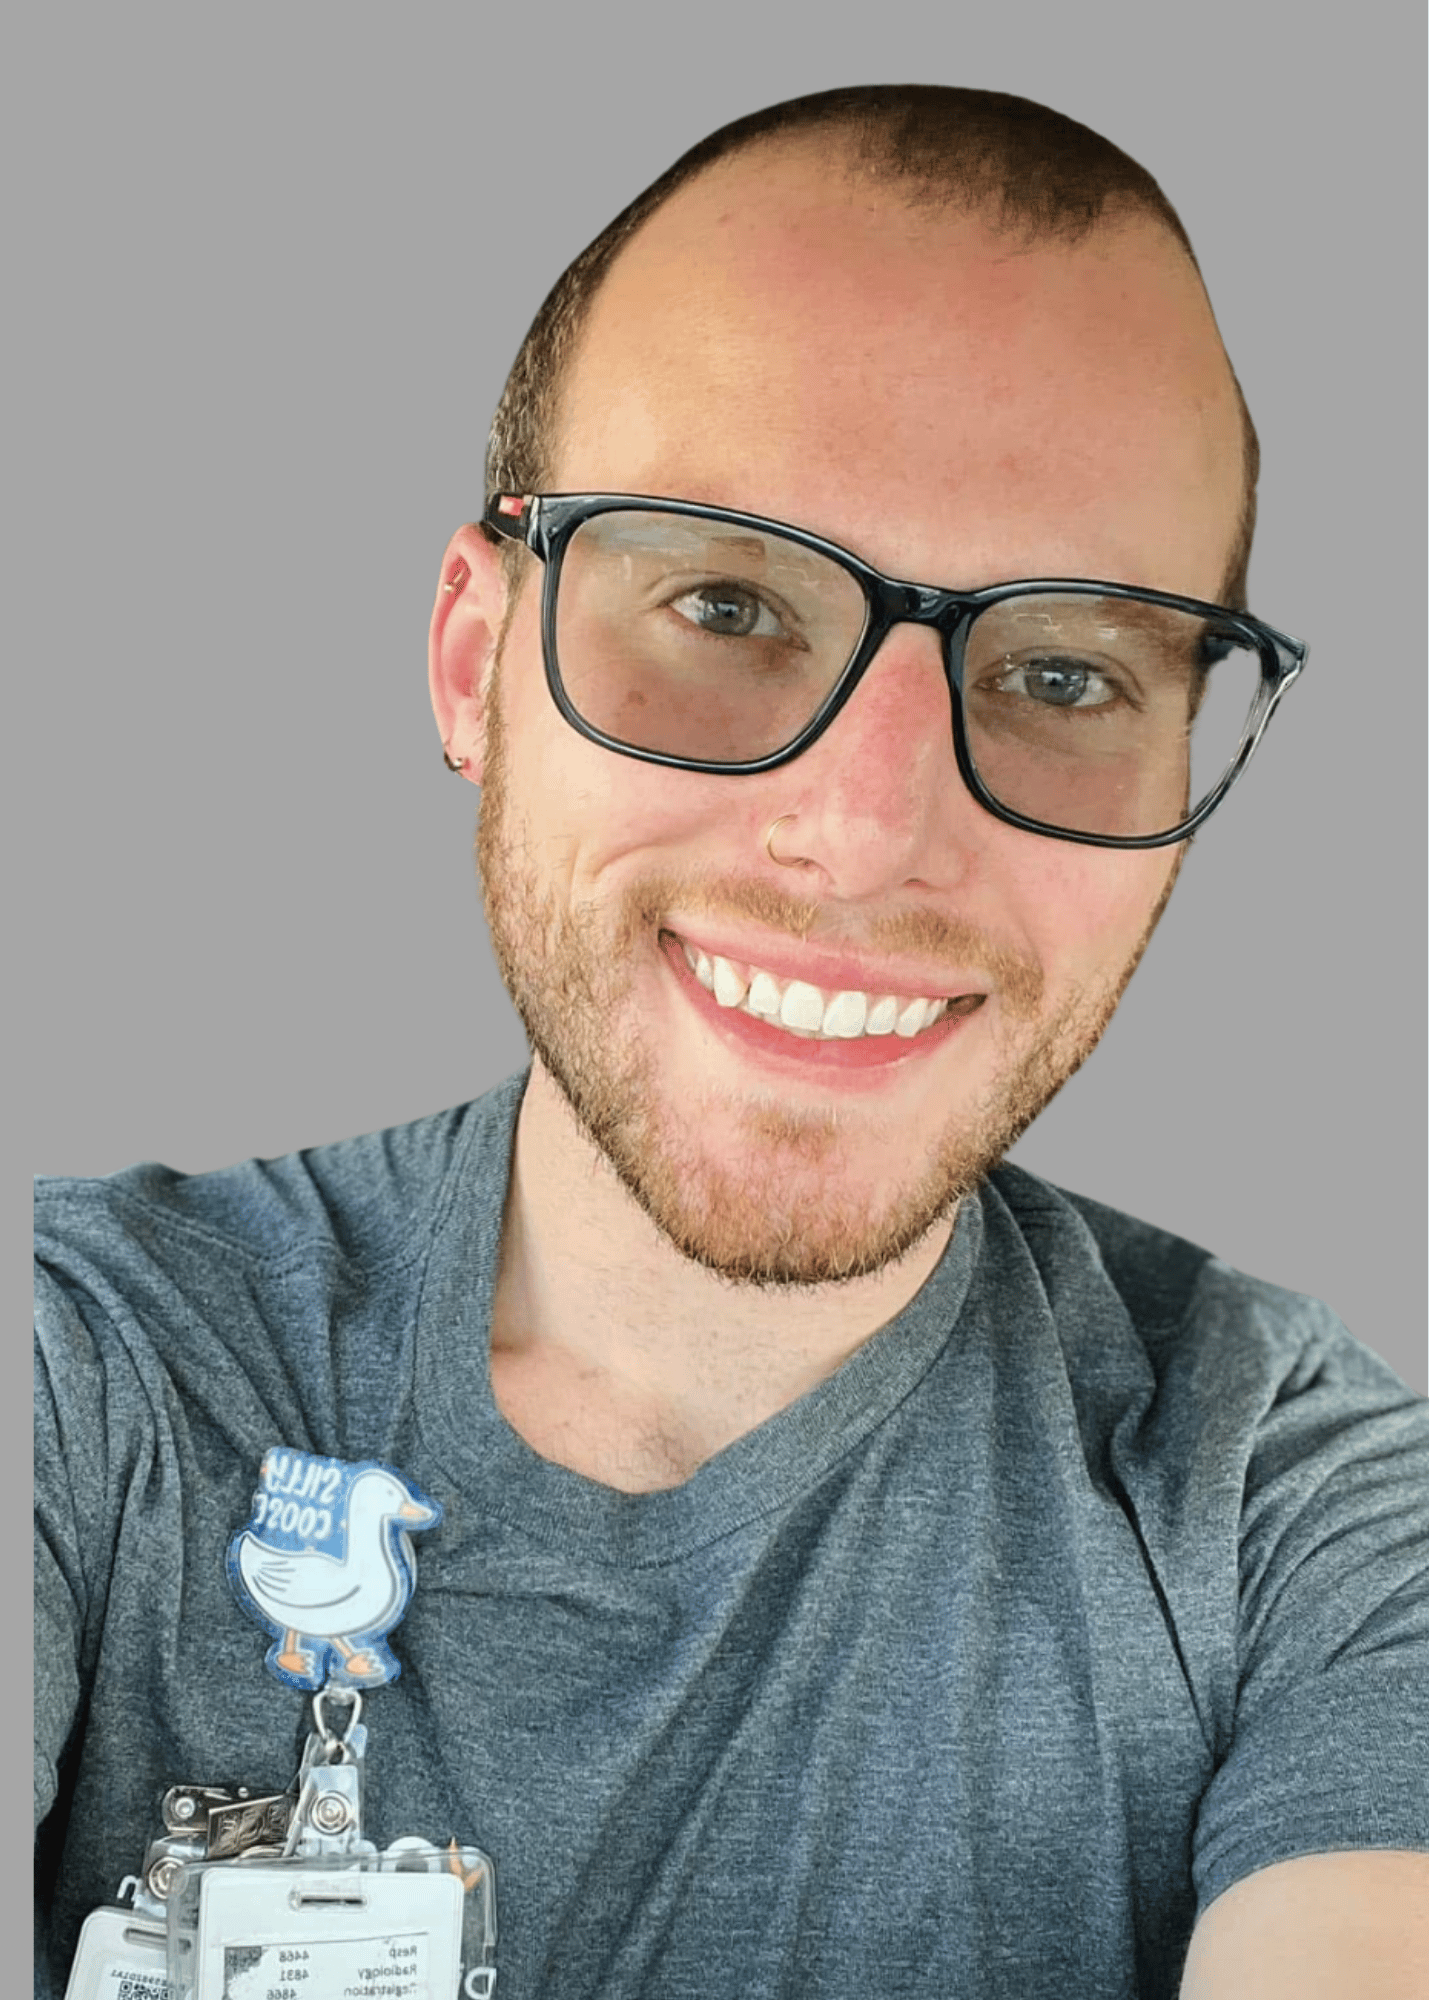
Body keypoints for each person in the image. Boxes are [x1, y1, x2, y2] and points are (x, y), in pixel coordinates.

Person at [34, 83, 1428, 2000]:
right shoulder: (80, 1371)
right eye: (723, 602)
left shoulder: (1303, 1511)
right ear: (474, 663)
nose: (866, 837)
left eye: (1060, 673)